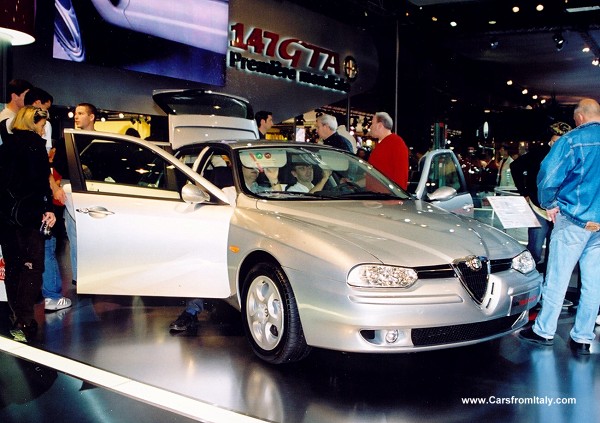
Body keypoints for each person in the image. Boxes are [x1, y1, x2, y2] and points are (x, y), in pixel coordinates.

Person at [519, 98, 600, 356]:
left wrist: (549, 203)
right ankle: (583, 337)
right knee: (594, 283)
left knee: (557, 277)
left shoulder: (572, 140)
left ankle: (544, 330)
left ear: (578, 118)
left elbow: (548, 174)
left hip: (573, 221)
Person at [0, 106, 56, 342]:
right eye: (42, 125)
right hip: (30, 217)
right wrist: (49, 210)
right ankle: (25, 320)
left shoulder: (4, 148)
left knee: (13, 267)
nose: (44, 131)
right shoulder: (36, 149)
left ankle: (19, 319)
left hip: (5, 218)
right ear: (33, 123)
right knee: (33, 267)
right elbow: (42, 185)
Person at [510, 122, 572, 266]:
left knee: (554, 249)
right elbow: (515, 166)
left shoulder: (569, 154)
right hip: (538, 206)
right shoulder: (538, 153)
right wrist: (524, 192)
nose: (558, 145)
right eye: (556, 141)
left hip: (560, 208)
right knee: (535, 249)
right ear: (550, 139)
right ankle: (531, 276)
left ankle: (548, 279)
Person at [367, 111, 409, 190]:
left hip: (386, 199)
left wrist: (395, 199)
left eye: (372, 123)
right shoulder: (383, 143)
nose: (370, 127)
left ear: (379, 125)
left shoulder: (396, 144)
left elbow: (401, 176)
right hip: (378, 198)